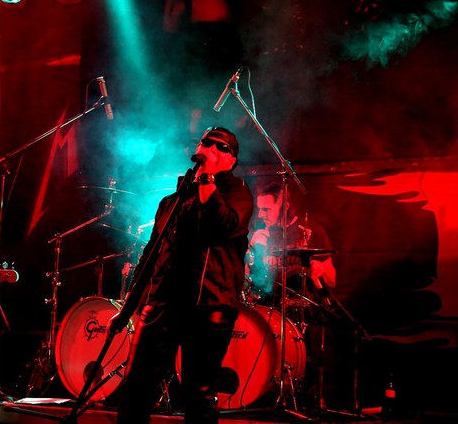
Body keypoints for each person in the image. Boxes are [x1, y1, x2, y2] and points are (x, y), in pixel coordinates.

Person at [109, 127, 253, 423]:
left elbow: (221, 226)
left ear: (232, 160)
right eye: (207, 142)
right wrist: (127, 309)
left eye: (221, 146)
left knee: (198, 395)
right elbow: (150, 257)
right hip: (162, 303)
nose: (212, 148)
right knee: (136, 389)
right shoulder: (171, 202)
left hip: (209, 304)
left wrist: (208, 179)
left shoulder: (238, 193)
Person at [244, 181, 336, 309]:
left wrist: (321, 268)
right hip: (267, 309)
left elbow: (332, 281)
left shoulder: (312, 230)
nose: (260, 215)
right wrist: (251, 252)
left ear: (285, 206)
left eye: (266, 209)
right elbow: (245, 281)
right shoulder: (257, 232)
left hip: (302, 309)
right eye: (259, 209)